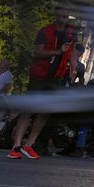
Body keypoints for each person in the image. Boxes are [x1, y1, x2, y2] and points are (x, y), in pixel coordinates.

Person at [7, 10, 78, 160]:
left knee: (45, 111)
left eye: (66, 16)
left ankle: (29, 144)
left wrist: (73, 68)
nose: (63, 19)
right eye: (61, 15)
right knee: (28, 109)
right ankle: (16, 146)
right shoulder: (45, 31)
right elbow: (38, 53)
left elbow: (72, 51)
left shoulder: (71, 33)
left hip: (56, 77)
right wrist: (58, 51)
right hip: (39, 76)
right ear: (56, 16)